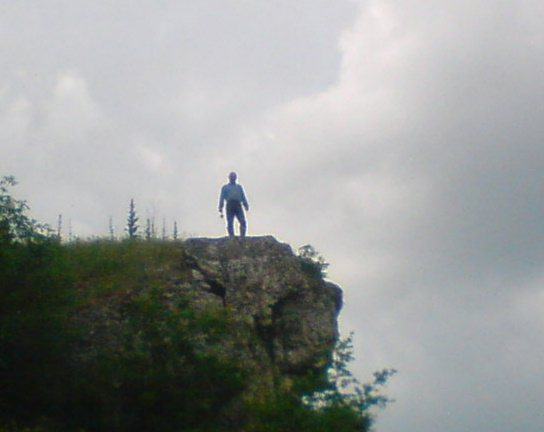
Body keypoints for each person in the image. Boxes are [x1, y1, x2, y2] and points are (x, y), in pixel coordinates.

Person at [218, 172, 249, 237]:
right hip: (230, 205)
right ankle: (231, 236)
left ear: (236, 178)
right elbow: (222, 197)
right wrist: (220, 207)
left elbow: (242, 196)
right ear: (229, 178)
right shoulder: (225, 187)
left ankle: (242, 236)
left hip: (238, 205)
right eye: (231, 177)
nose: (233, 178)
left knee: (242, 221)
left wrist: (245, 204)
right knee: (230, 221)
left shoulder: (239, 187)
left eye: (234, 176)